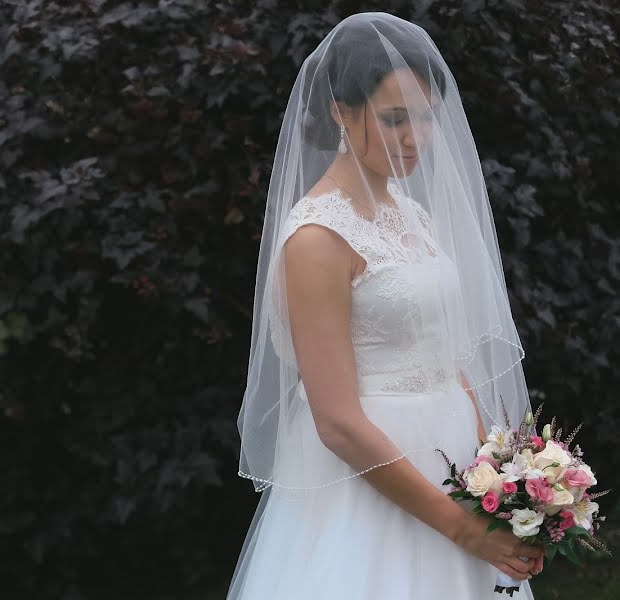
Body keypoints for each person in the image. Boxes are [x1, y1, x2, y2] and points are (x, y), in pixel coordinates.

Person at [229, 12, 545, 599]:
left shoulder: (411, 213)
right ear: (342, 113)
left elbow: (444, 352)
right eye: (395, 119)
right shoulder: (318, 239)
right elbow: (338, 423)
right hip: (372, 479)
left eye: (425, 118)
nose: (415, 138)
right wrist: (465, 531)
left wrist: (501, 480)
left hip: (456, 466)